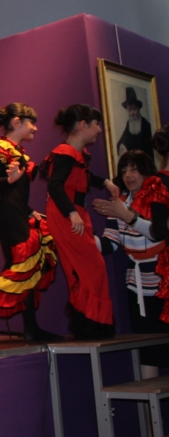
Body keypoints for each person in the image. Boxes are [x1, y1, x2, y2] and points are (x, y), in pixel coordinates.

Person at [0, 103, 60, 341]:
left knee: (27, 266)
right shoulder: (1, 147)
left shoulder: (17, 151)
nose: (35, 128)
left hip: (16, 212)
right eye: (32, 123)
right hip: (7, 214)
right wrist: (11, 179)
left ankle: (30, 328)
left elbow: (15, 193)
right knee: (24, 264)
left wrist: (28, 210)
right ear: (16, 122)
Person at [41, 104, 119, 339]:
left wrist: (105, 182)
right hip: (67, 215)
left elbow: (83, 176)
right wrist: (71, 213)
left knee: (87, 268)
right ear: (83, 125)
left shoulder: (74, 154)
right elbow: (55, 185)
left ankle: (90, 322)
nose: (99, 130)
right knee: (89, 267)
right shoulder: (65, 153)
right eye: (96, 125)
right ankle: (90, 321)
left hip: (74, 214)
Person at [92, 149, 169, 372]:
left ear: (146, 171)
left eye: (134, 169)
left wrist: (127, 215)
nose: (128, 175)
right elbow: (110, 244)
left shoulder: (158, 197)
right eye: (124, 170)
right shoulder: (119, 202)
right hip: (136, 284)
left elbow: (157, 234)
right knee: (146, 347)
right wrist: (83, 237)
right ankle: (148, 395)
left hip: (162, 279)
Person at [116, 87, 153, 160]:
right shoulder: (129, 124)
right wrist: (122, 146)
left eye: (134, 109)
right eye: (130, 110)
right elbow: (120, 142)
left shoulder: (146, 126)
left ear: (139, 110)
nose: (132, 113)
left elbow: (149, 151)